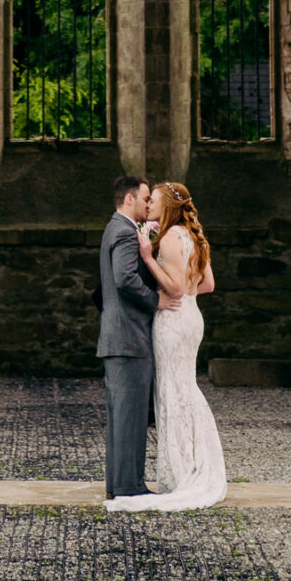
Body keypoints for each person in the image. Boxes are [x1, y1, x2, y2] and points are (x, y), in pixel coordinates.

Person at [106, 179, 226, 511]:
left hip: (173, 322)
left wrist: (148, 257)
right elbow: (208, 284)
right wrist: (186, 293)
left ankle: (180, 473)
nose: (149, 207)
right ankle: (196, 465)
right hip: (192, 317)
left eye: (154, 202)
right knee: (185, 389)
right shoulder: (192, 237)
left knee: (172, 393)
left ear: (167, 207)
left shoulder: (172, 237)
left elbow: (172, 289)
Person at [97, 171, 168, 503]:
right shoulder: (125, 233)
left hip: (117, 338)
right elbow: (125, 278)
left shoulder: (115, 228)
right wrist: (157, 300)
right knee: (131, 416)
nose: (148, 204)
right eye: (144, 198)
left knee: (121, 415)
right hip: (129, 337)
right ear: (129, 199)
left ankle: (118, 485)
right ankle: (129, 488)